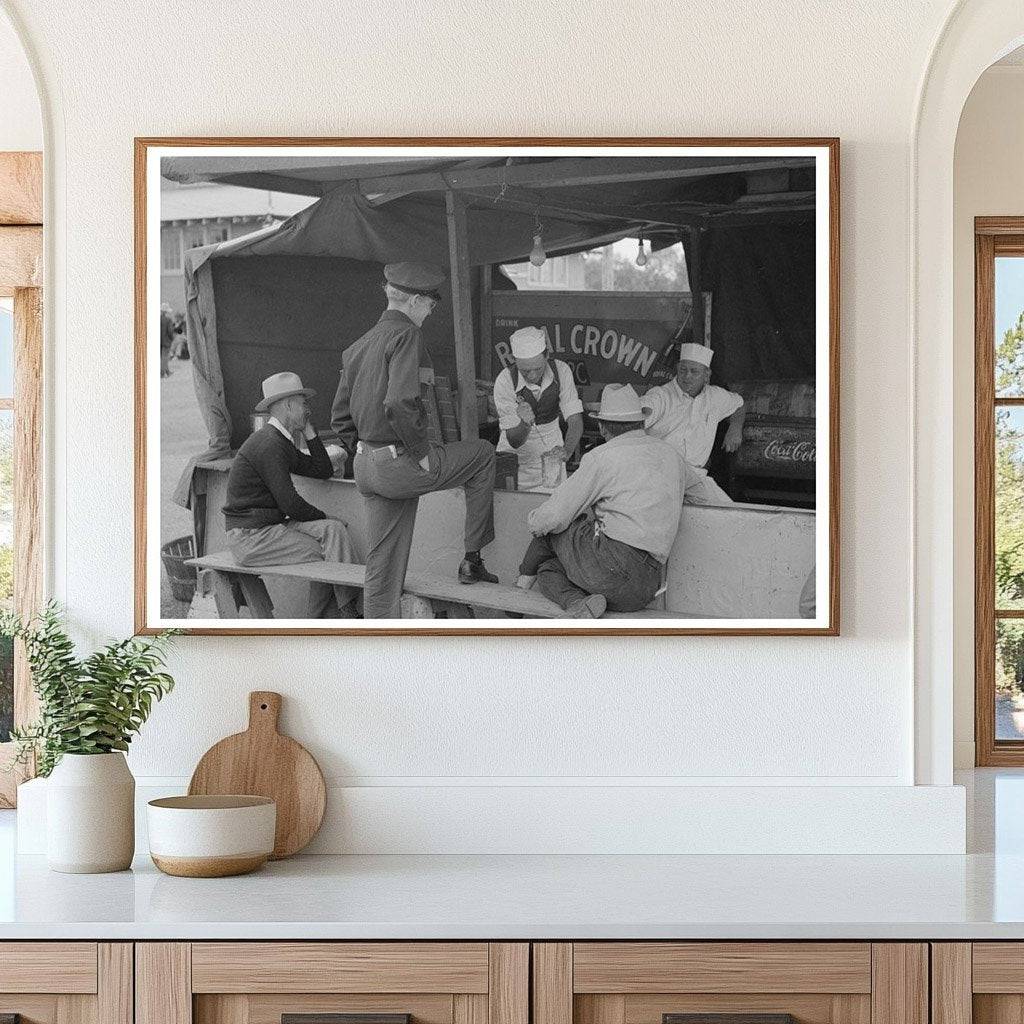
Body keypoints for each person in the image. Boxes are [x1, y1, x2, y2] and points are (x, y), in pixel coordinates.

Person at [331, 261, 498, 619]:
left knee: (382, 563)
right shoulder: (407, 335)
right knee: (483, 453)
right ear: (415, 301)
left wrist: (364, 450)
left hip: (366, 467)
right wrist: (420, 453)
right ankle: (472, 559)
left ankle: (379, 634)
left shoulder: (357, 346)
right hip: (399, 464)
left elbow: (340, 417)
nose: (431, 311)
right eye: (431, 304)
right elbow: (399, 402)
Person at [518, 383, 687, 618]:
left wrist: (534, 521)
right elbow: (699, 491)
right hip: (646, 585)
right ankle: (579, 604)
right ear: (641, 422)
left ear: (602, 426)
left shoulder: (602, 456)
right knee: (548, 569)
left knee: (550, 529)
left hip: (612, 568)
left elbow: (552, 517)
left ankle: (517, 594)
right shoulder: (671, 454)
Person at [222, 371, 358, 618]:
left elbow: (322, 469)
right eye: (303, 403)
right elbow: (290, 503)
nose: (308, 409)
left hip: (267, 529)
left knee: (334, 532)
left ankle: (334, 615)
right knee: (329, 548)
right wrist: (326, 515)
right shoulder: (269, 444)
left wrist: (310, 433)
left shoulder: (280, 441)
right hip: (250, 538)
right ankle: (346, 613)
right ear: (288, 405)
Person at [641, 342, 745, 504]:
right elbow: (639, 415)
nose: (687, 376)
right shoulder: (660, 396)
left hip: (695, 478)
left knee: (728, 512)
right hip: (660, 476)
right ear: (677, 369)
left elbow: (739, 405)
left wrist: (735, 428)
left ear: (707, 375)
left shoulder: (714, 396)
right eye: (683, 370)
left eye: (694, 371)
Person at [492, 325, 584, 490]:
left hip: (552, 455)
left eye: (538, 369)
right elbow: (514, 441)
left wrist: (567, 450)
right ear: (515, 360)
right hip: (514, 460)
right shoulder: (505, 380)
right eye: (525, 371)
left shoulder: (561, 371)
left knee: (553, 501)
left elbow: (575, 419)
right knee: (510, 502)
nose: (532, 376)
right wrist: (524, 424)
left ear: (546, 355)